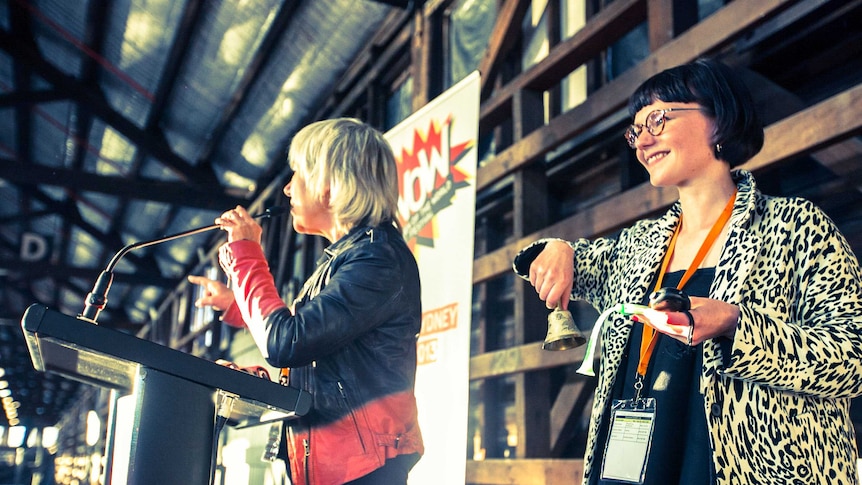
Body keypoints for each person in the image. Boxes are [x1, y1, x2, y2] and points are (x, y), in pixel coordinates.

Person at [513, 58, 862, 484]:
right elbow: (553, 262)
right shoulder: (638, 245)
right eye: (635, 132)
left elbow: (853, 359)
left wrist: (737, 325)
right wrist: (557, 248)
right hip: (636, 466)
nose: (642, 142)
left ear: (719, 119)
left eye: (657, 120)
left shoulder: (796, 227)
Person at [189, 117, 424, 485]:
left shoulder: (378, 259)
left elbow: (286, 342)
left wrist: (247, 257)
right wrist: (240, 313)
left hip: (363, 471)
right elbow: (319, 363)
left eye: (297, 173)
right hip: (337, 466)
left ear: (329, 184)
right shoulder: (347, 260)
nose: (286, 189)